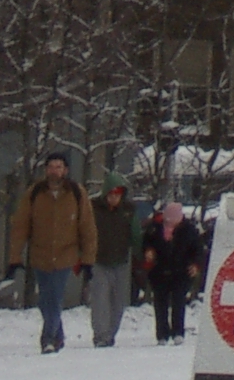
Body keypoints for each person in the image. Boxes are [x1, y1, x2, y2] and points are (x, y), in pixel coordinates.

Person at [8, 151, 96, 354]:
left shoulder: (76, 192)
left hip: (66, 254)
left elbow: (87, 227)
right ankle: (58, 335)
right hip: (40, 255)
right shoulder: (35, 193)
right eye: (51, 167)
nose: (54, 171)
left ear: (65, 170)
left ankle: (47, 339)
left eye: (58, 167)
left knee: (54, 297)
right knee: (45, 299)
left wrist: (88, 258)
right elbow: (21, 225)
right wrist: (15, 257)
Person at [141, 202, 205, 344]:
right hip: (159, 271)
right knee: (160, 303)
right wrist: (148, 252)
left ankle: (178, 332)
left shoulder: (189, 230)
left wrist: (195, 264)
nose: (171, 224)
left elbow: (198, 250)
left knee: (178, 301)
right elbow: (146, 243)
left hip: (181, 271)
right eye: (168, 220)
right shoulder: (154, 229)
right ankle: (162, 334)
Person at [89, 176, 142, 347]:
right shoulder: (93, 208)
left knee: (119, 301)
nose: (114, 197)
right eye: (111, 193)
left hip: (121, 260)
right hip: (99, 260)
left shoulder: (129, 210)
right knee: (100, 300)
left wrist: (139, 256)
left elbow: (135, 234)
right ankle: (101, 335)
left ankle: (111, 334)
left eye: (118, 194)